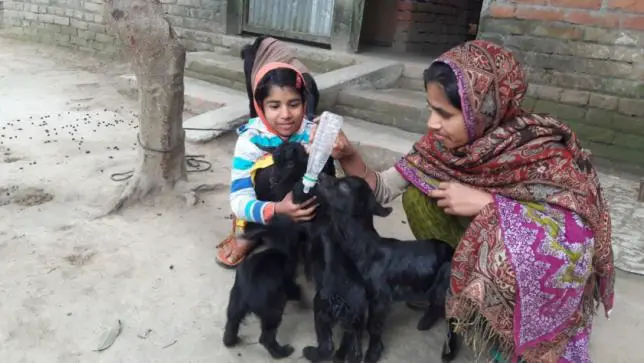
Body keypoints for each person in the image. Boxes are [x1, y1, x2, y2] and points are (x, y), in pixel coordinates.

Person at [325, 40, 615, 362]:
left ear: (484, 110)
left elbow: (576, 235)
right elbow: (379, 190)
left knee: (510, 247)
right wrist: (350, 156)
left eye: (444, 114)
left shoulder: (542, 153)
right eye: (430, 108)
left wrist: (490, 204)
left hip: (515, 263)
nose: (431, 124)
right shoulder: (438, 148)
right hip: (468, 246)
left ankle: (512, 327)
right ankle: (451, 283)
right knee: (417, 195)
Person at [216, 61, 322, 268]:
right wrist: (277, 209)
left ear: (305, 103)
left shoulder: (315, 132)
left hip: (308, 205)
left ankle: (311, 235)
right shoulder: (251, 140)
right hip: (271, 207)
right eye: (274, 106)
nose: (286, 115)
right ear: (260, 107)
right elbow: (239, 200)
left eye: (294, 104)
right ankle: (253, 234)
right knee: (269, 169)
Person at [240, 36, 320, 121]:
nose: (286, 115)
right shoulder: (275, 46)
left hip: (304, 90)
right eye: (275, 106)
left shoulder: (251, 54)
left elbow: (252, 94)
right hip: (311, 90)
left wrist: (254, 120)